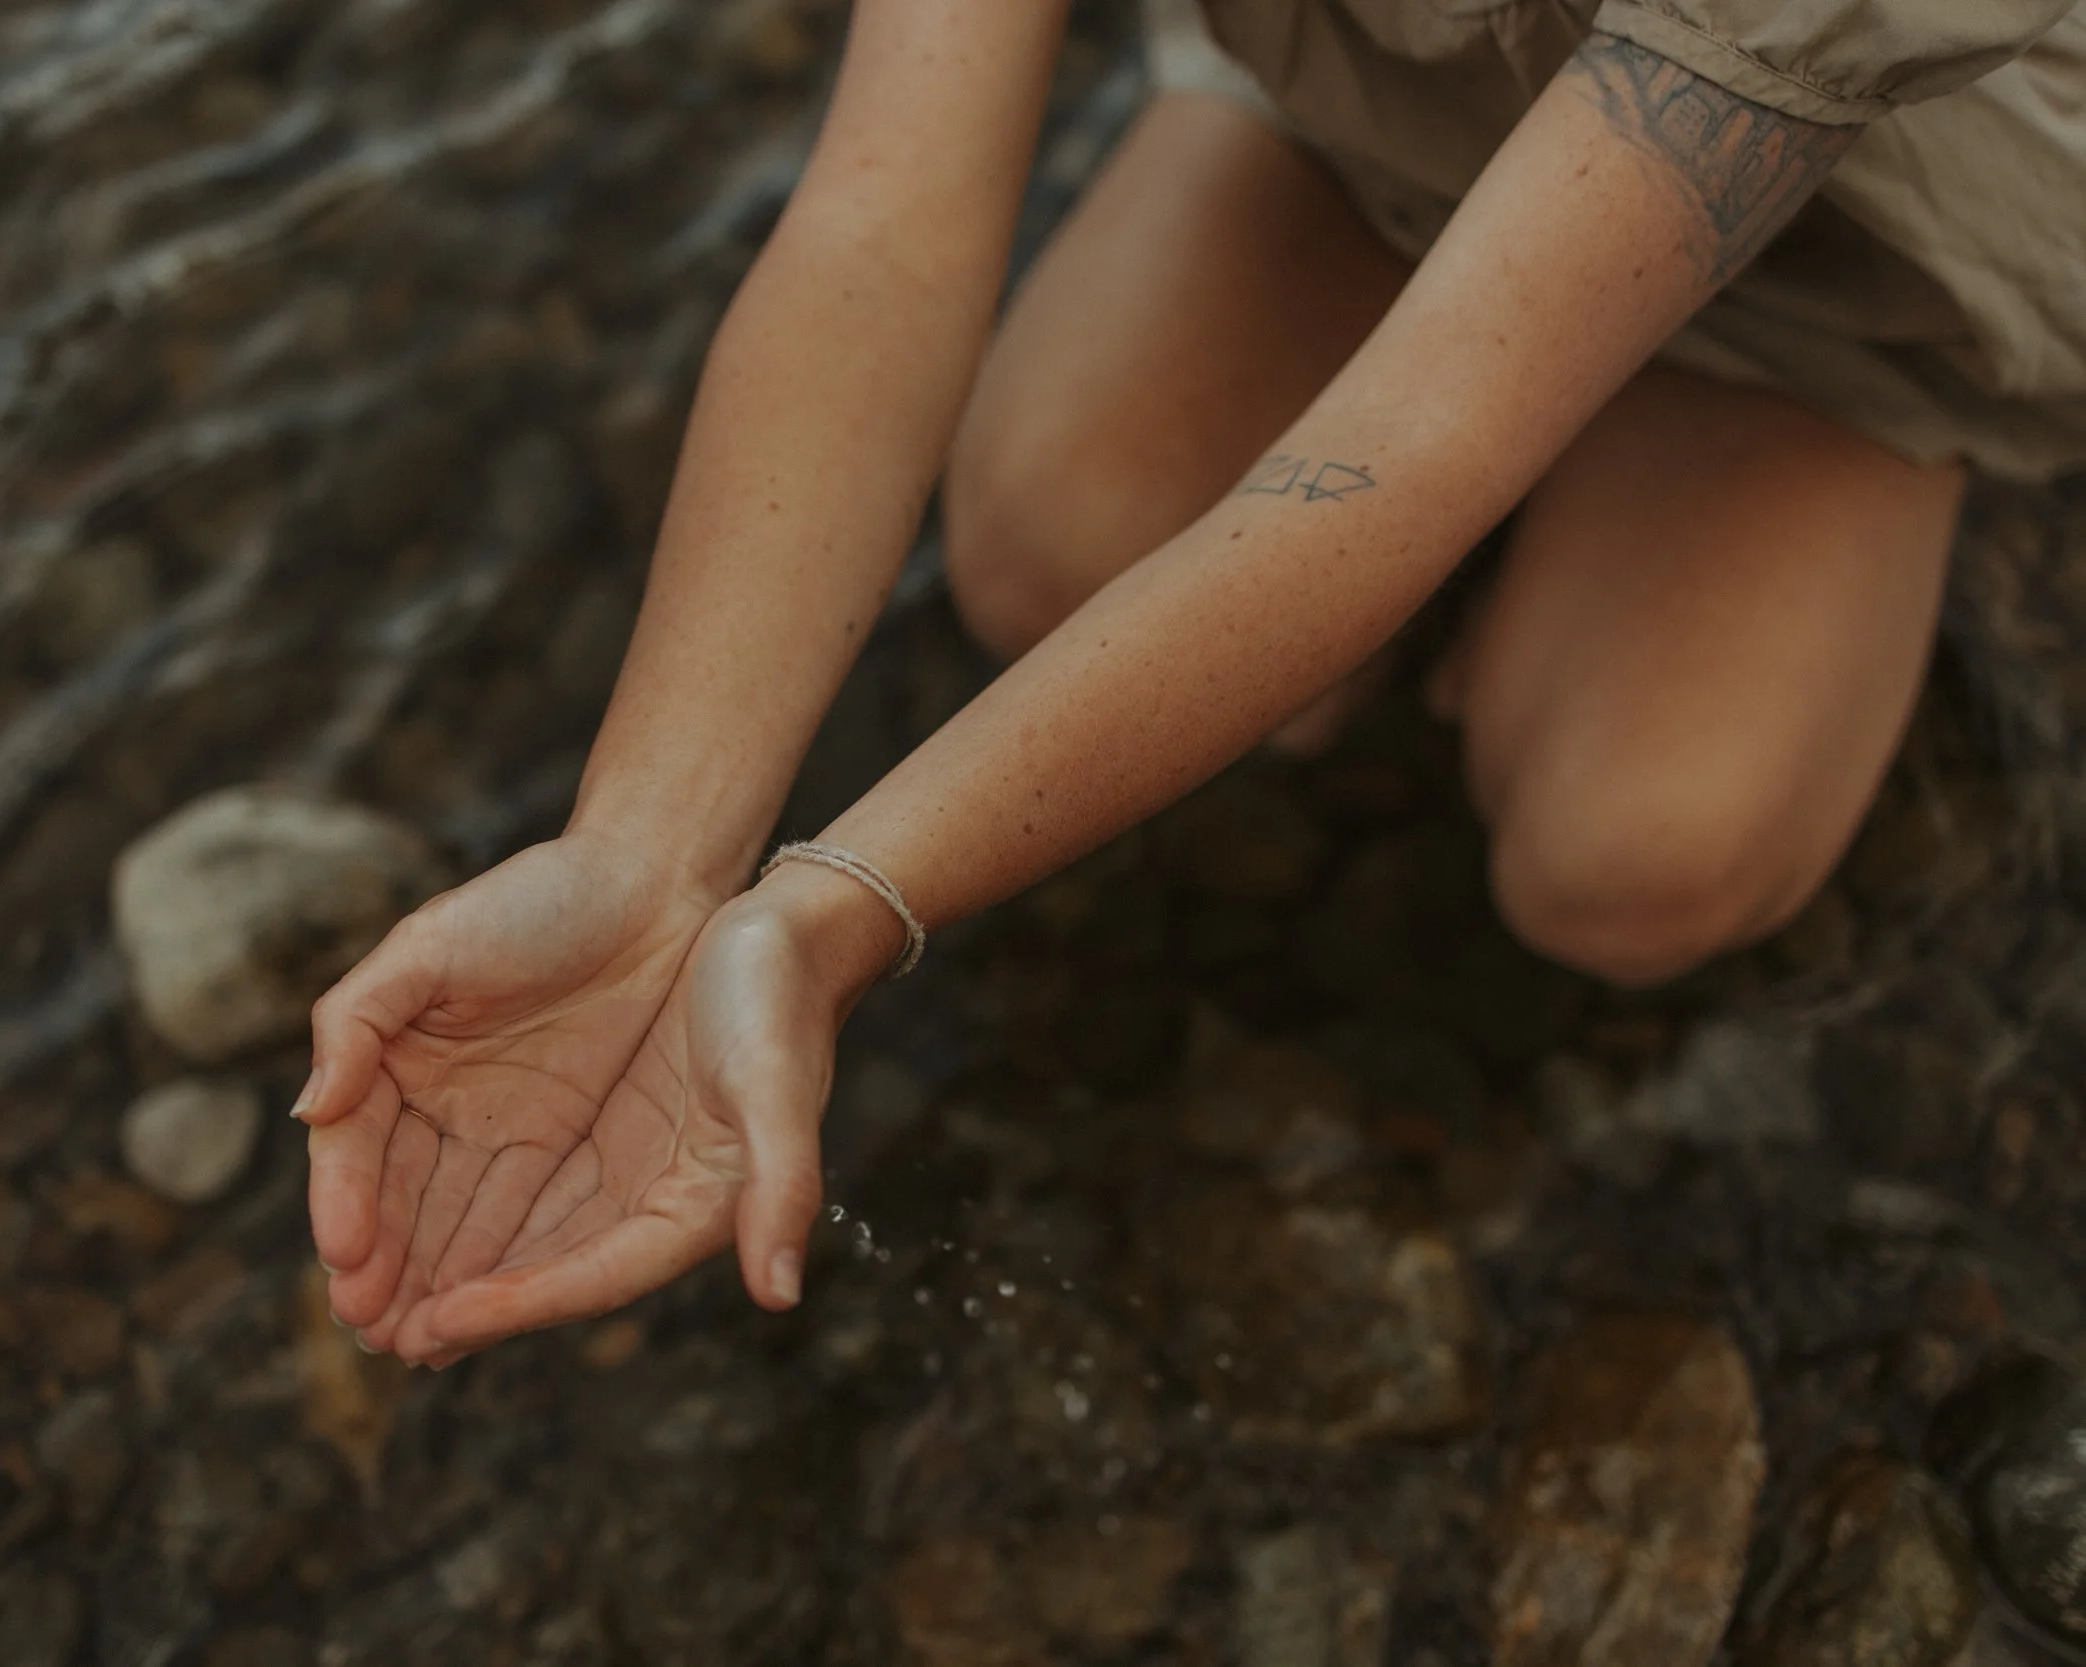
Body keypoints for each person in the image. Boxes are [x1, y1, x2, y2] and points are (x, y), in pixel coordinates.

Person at [293, 0, 2086, 1366]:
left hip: (1858, 253)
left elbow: (1412, 443)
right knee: (1056, 543)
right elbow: (881, 232)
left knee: (1635, 856)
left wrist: (841, 908)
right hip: (1380, 113)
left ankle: (1786, 471)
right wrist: (660, 859)